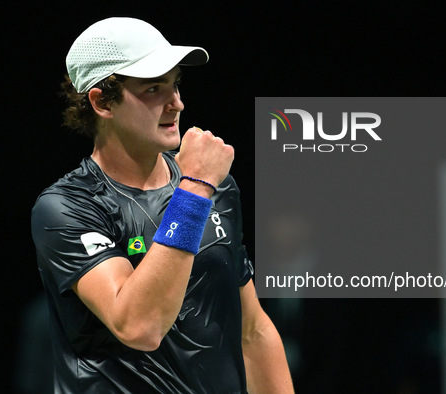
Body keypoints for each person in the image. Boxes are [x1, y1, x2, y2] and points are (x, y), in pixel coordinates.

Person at [31, 17, 293, 393]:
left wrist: (199, 187)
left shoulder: (215, 187)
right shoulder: (67, 206)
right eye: (154, 88)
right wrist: (196, 189)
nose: (177, 104)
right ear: (102, 101)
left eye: (176, 85)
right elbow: (139, 326)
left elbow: (252, 330)